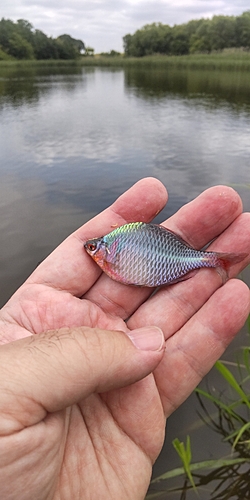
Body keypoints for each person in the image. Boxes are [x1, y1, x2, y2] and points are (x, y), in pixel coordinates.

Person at [0, 177, 249, 500]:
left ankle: (215, 260)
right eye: (92, 248)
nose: (92, 252)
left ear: (105, 249)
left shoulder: (115, 247)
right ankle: (215, 261)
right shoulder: (114, 245)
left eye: (94, 248)